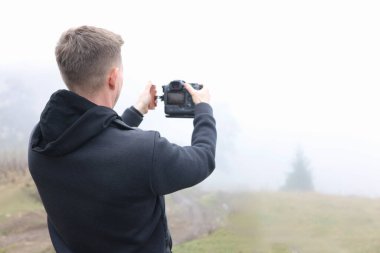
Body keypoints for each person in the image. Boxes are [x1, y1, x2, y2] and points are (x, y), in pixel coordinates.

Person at [28, 26, 217, 253]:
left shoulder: (40, 142)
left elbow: (99, 143)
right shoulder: (147, 152)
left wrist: (137, 111)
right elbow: (203, 159)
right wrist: (204, 109)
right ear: (113, 77)